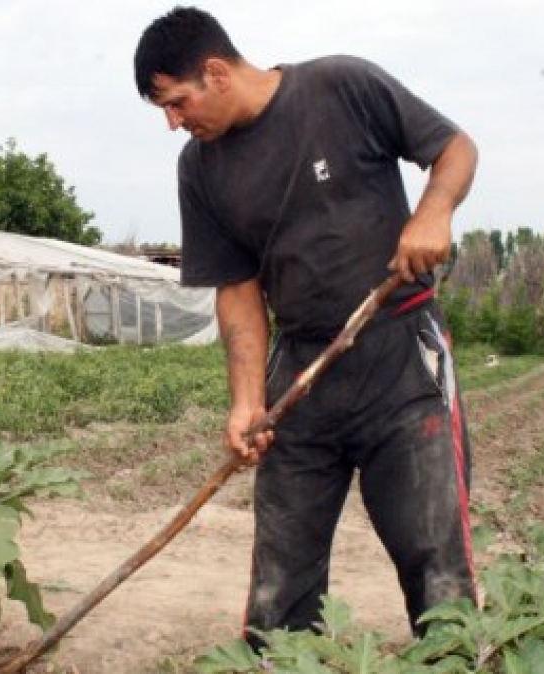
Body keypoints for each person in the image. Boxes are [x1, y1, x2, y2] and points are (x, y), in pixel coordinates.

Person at [133, 6, 478, 651]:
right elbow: (237, 292)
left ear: (215, 72)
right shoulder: (199, 169)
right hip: (303, 374)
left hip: (401, 360)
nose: (174, 122)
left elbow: (454, 148)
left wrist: (433, 211)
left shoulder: (341, 87)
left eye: (177, 103)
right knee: (281, 572)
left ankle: (455, 660)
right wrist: (246, 403)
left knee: (434, 557)